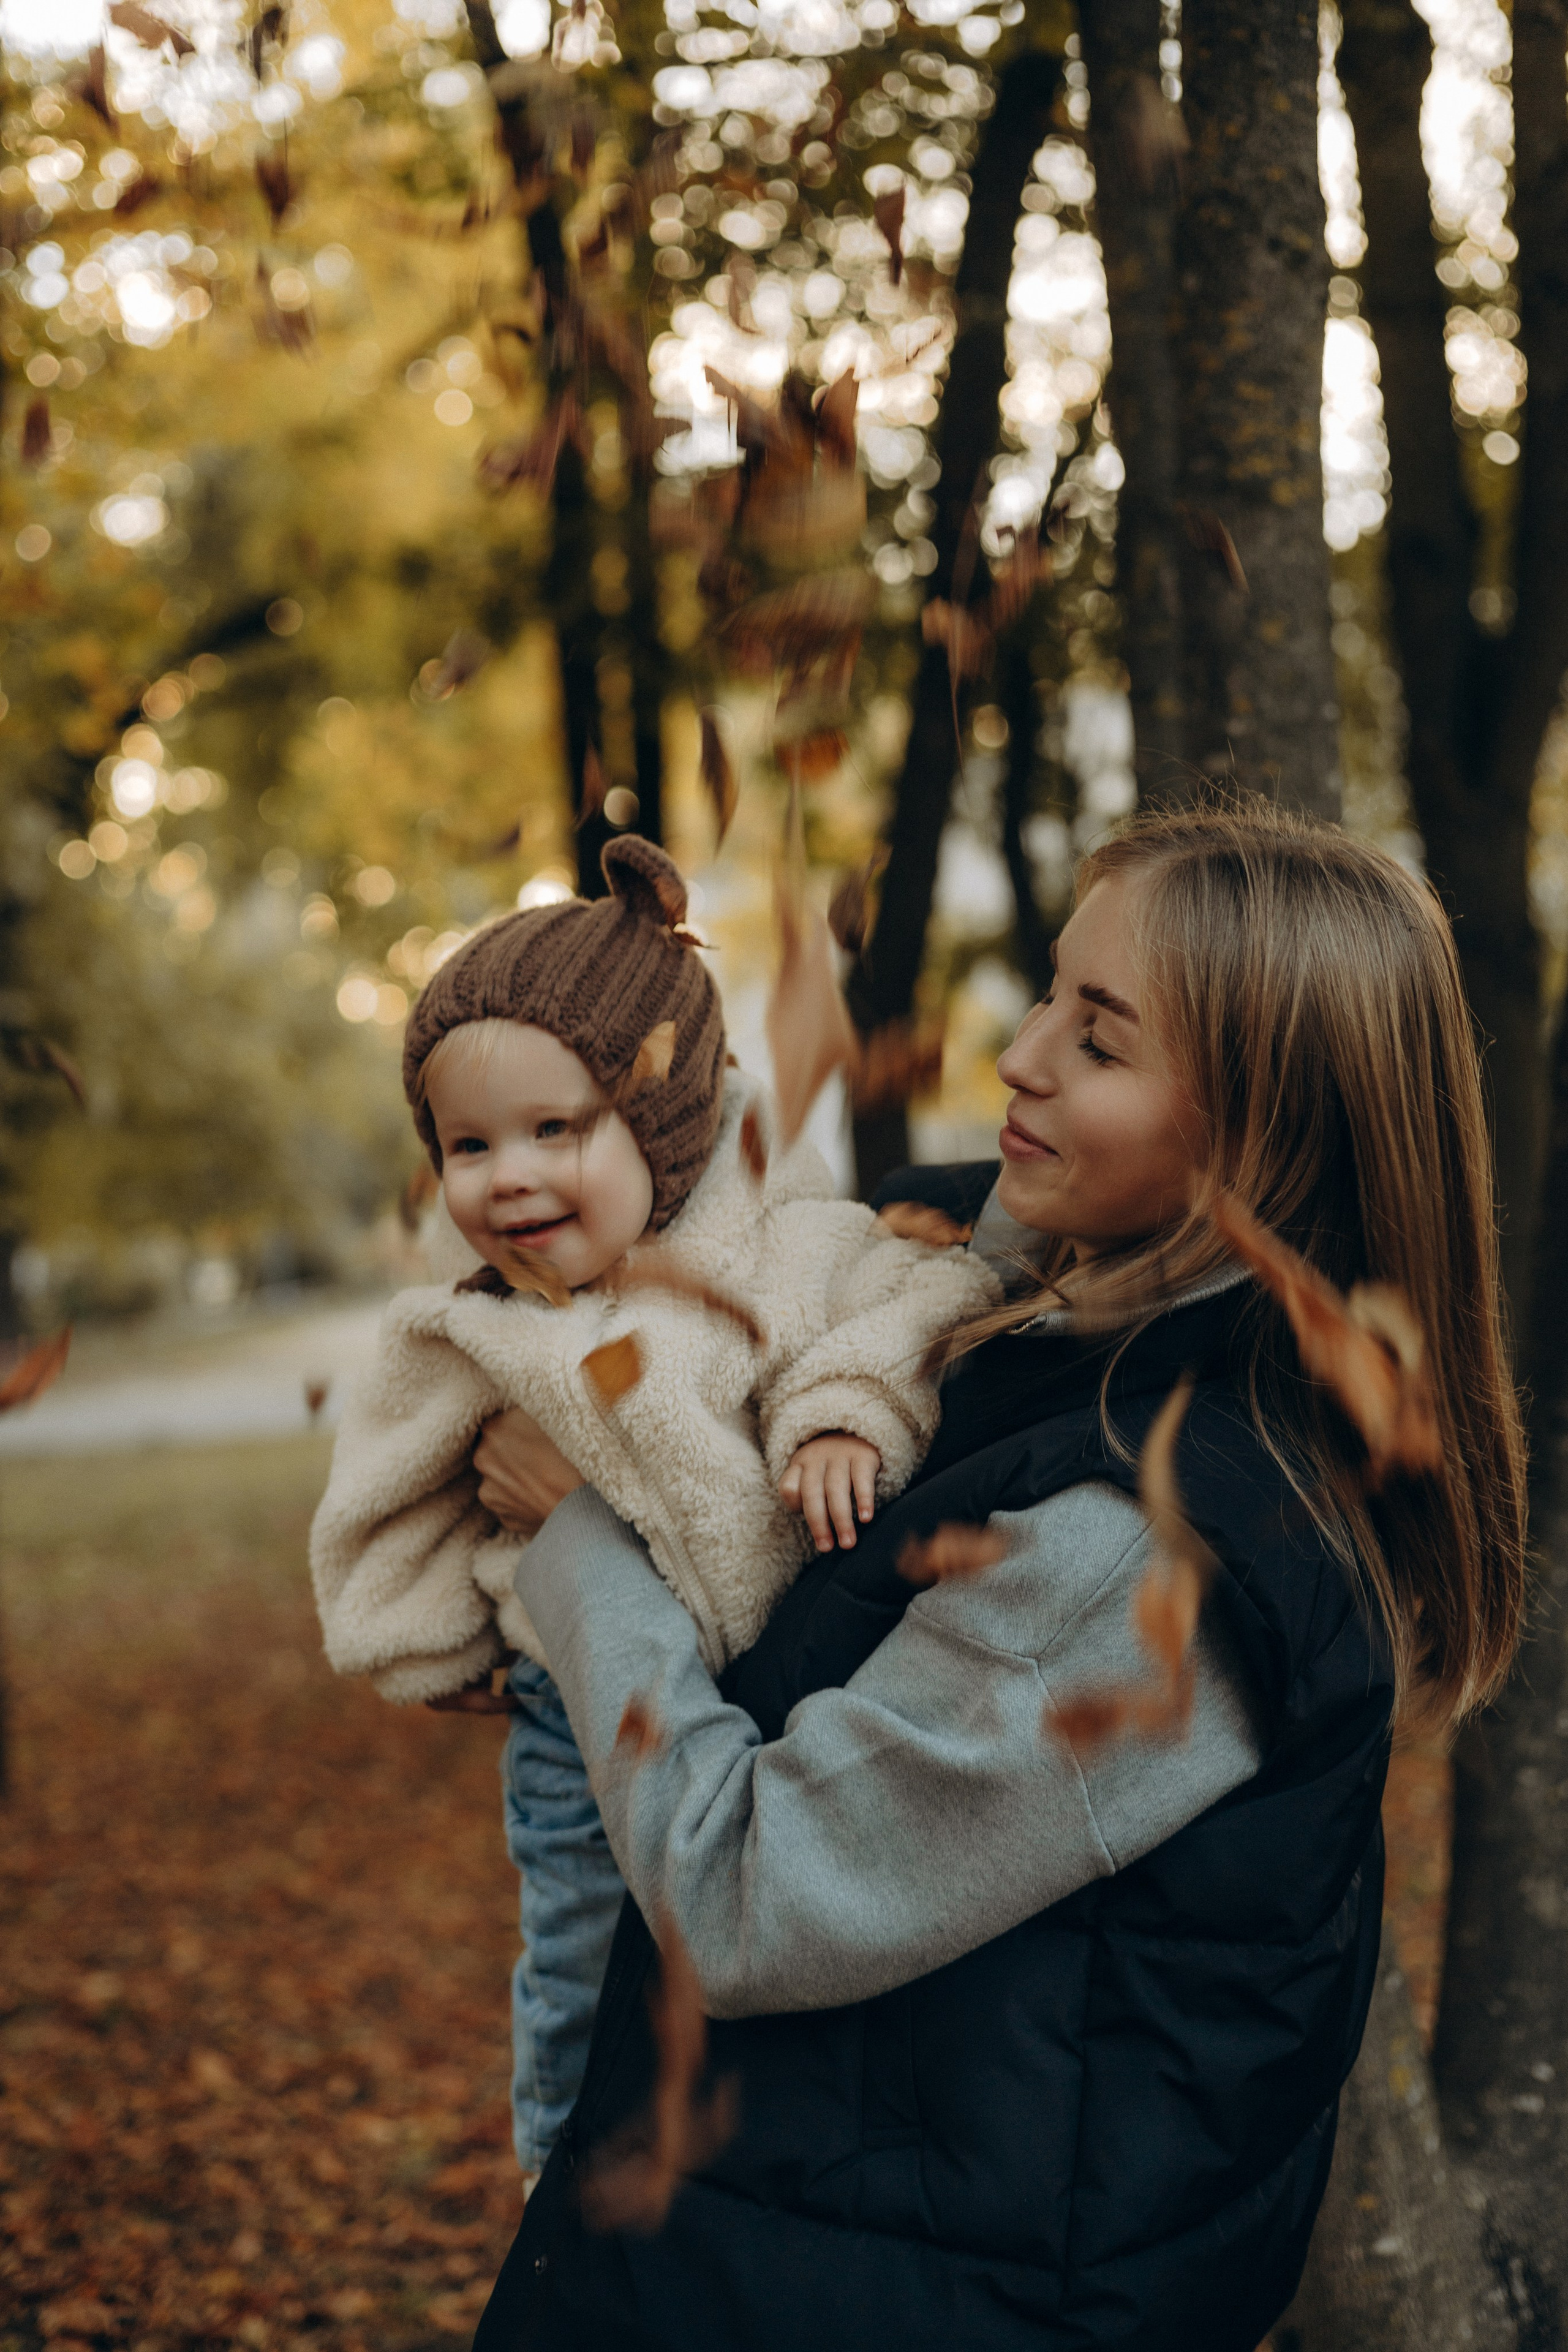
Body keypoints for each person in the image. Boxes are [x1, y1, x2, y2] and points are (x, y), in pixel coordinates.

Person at [470, 801, 1527, 2352]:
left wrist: (577, 1547)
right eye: (1047, 990)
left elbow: (749, 1892)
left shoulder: (1146, 1548)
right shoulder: (1034, 1320)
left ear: (1262, 1136)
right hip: (815, 2239)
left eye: (1098, 1042)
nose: (1020, 1056)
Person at [309, 833, 997, 2180]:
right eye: (466, 1146)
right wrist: (429, 1635)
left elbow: (917, 1303)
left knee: (757, 1998)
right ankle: (564, 2193)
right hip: (578, 1727)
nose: (505, 1177)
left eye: (552, 1130)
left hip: (786, 1696)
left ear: (663, 1119)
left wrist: (841, 1416)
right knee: (576, 1975)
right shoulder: (472, 1332)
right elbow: (390, 1492)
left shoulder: (777, 1247)